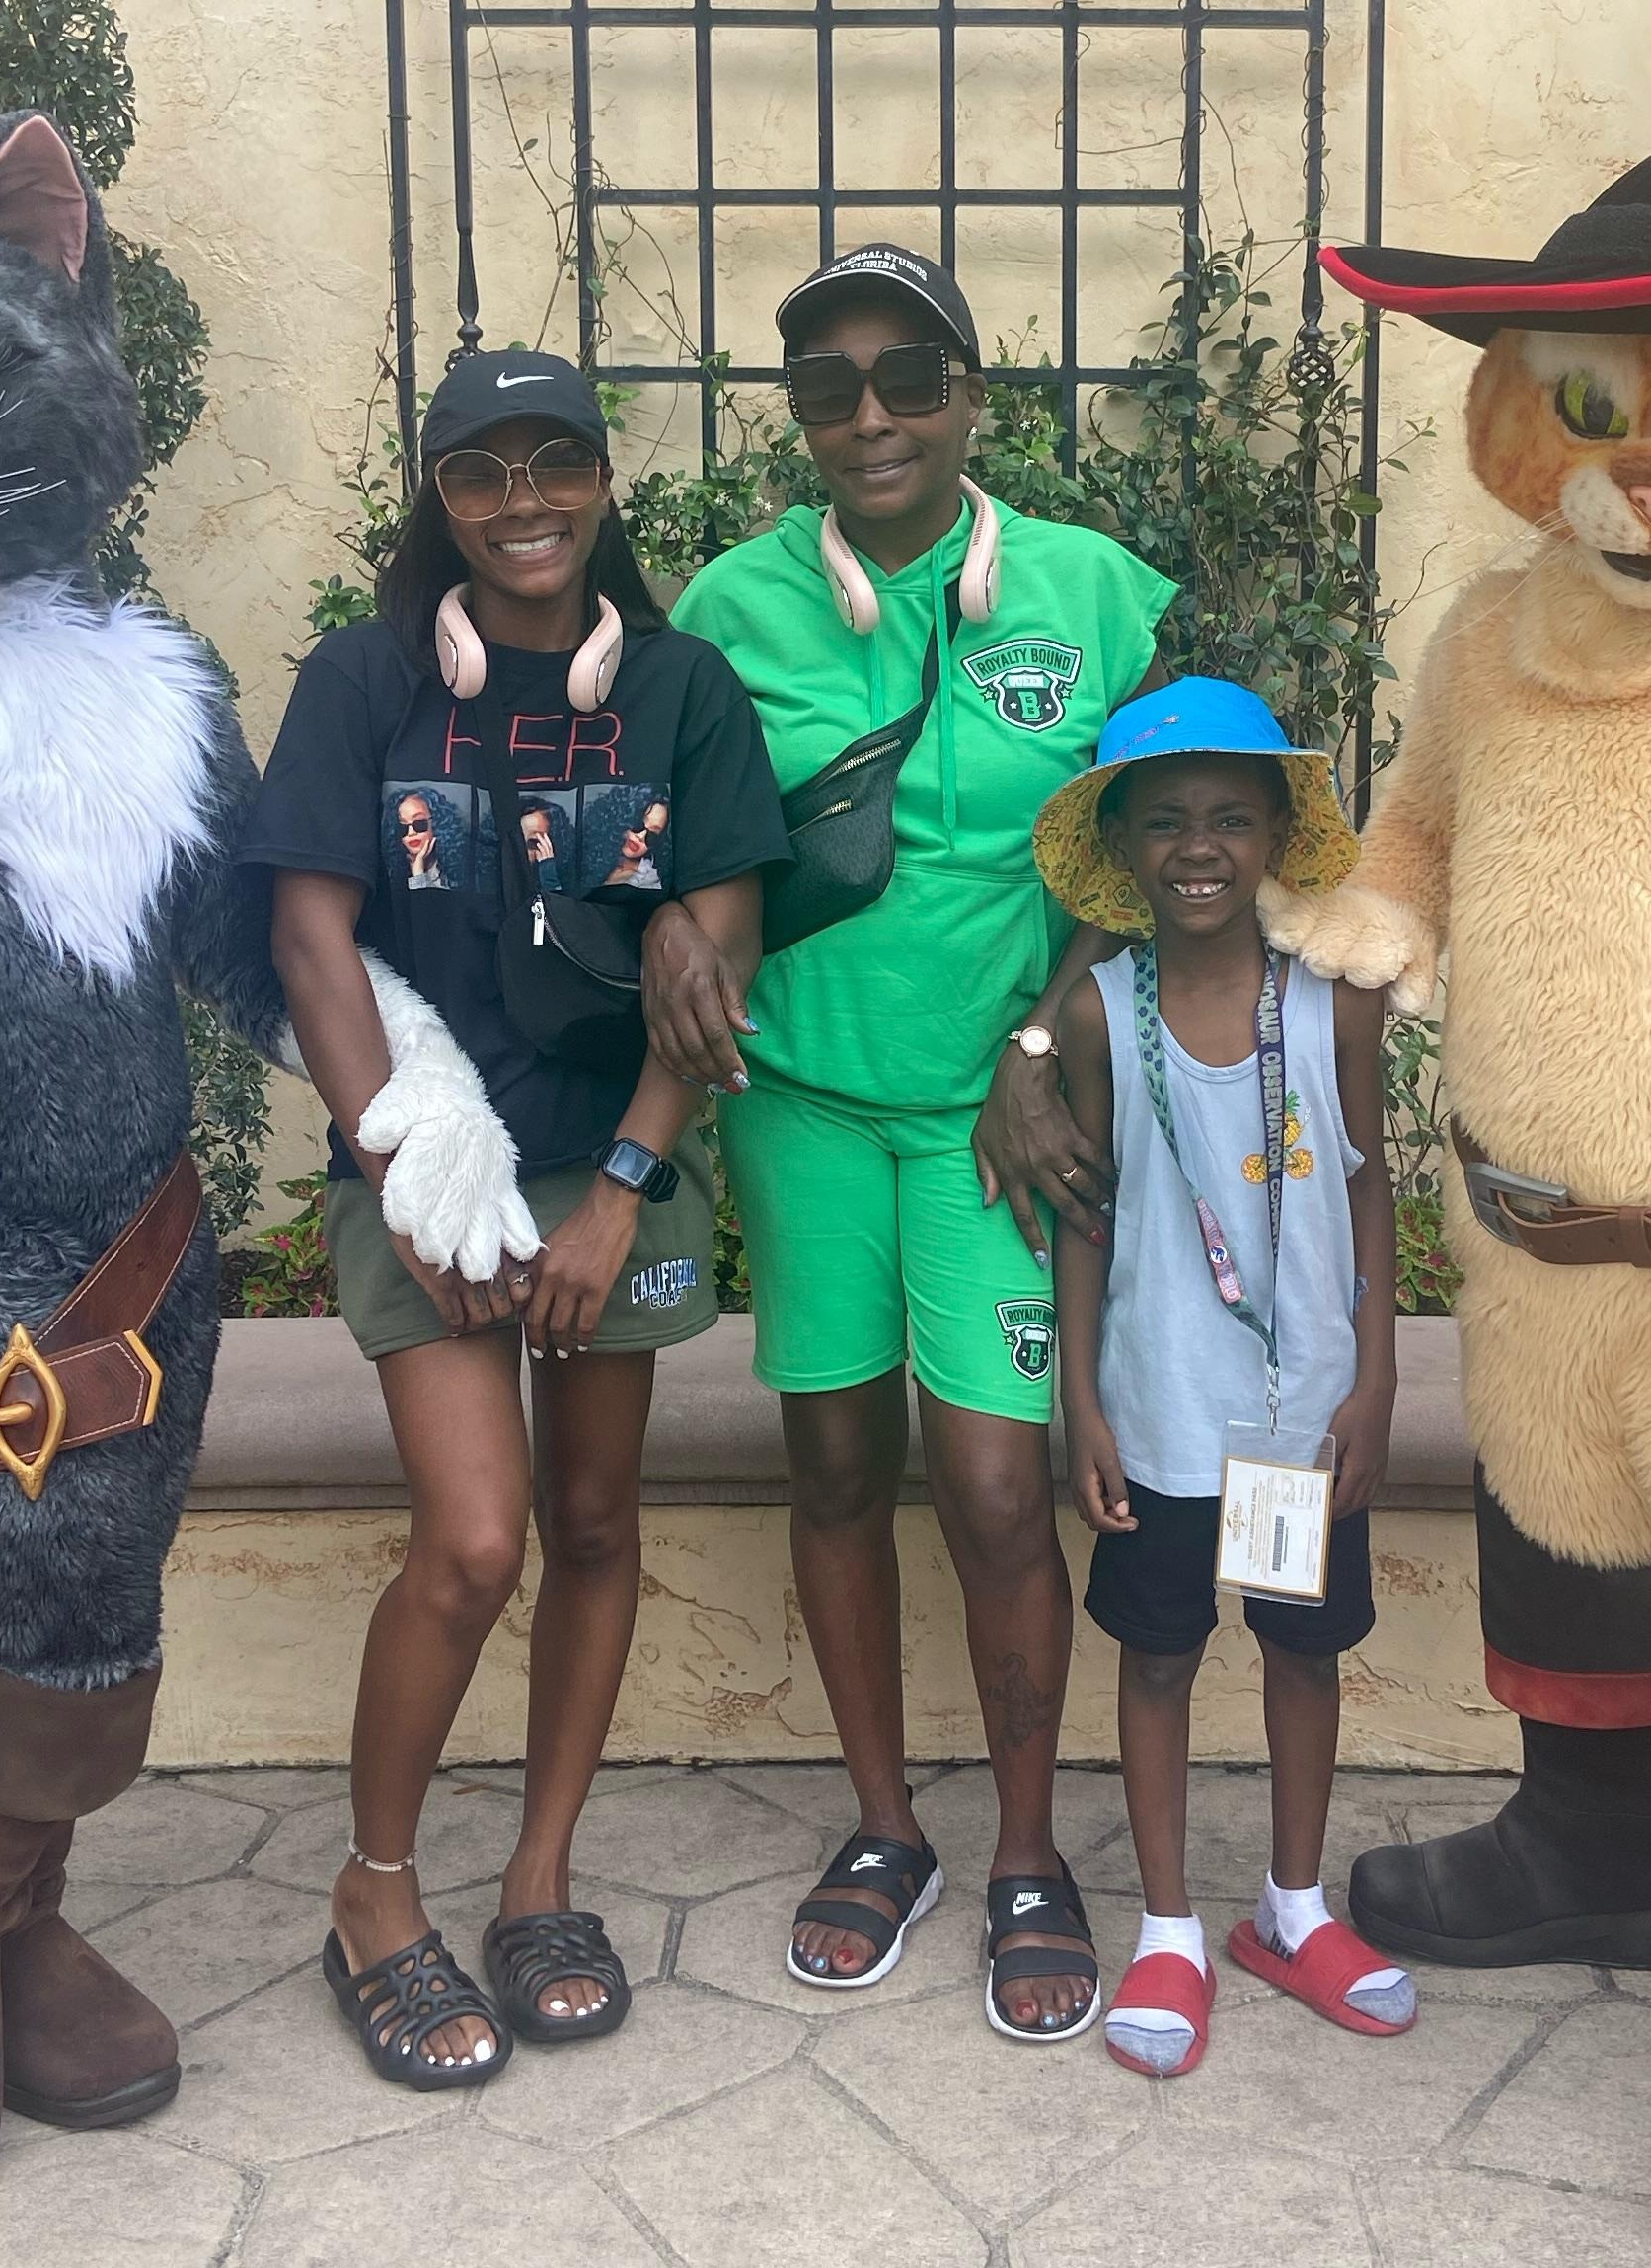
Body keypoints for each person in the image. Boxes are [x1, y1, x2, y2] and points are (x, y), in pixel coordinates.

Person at [244, 348, 788, 2088]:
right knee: (477, 1542)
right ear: (442, 495)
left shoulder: (680, 688)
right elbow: (310, 939)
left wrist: (626, 1193)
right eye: (482, 470)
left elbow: (723, 945)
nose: (524, 500)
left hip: (609, 1160)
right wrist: (399, 1168)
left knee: (597, 1521)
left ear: (605, 481)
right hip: (424, 1156)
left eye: (558, 461)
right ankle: (375, 1891)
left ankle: (540, 1879)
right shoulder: (367, 680)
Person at [652, 244, 1173, 2042]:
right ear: (799, 417)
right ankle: (887, 1828)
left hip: (992, 1129)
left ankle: (1026, 1848)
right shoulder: (731, 606)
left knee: (1001, 1487)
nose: (869, 415)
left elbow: (1154, 851)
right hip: (802, 1103)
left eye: (908, 379)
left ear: (972, 399)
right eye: (828, 386)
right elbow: (681, 834)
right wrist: (669, 927)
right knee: (828, 1466)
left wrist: (1043, 1041)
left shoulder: (1094, 593)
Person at [1033, 682, 1412, 2077]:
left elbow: (1366, 1189)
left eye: (1233, 820)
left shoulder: (1332, 1004)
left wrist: (1375, 1376)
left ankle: (1293, 1912)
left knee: (1302, 1651)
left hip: (1300, 1415)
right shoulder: (1095, 1015)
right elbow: (1087, 1217)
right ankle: (1170, 1929)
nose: (1200, 848)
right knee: (1159, 1656)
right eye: (1167, 821)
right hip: (1162, 1411)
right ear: (1122, 845)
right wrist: (1083, 1402)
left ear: (1275, 838)